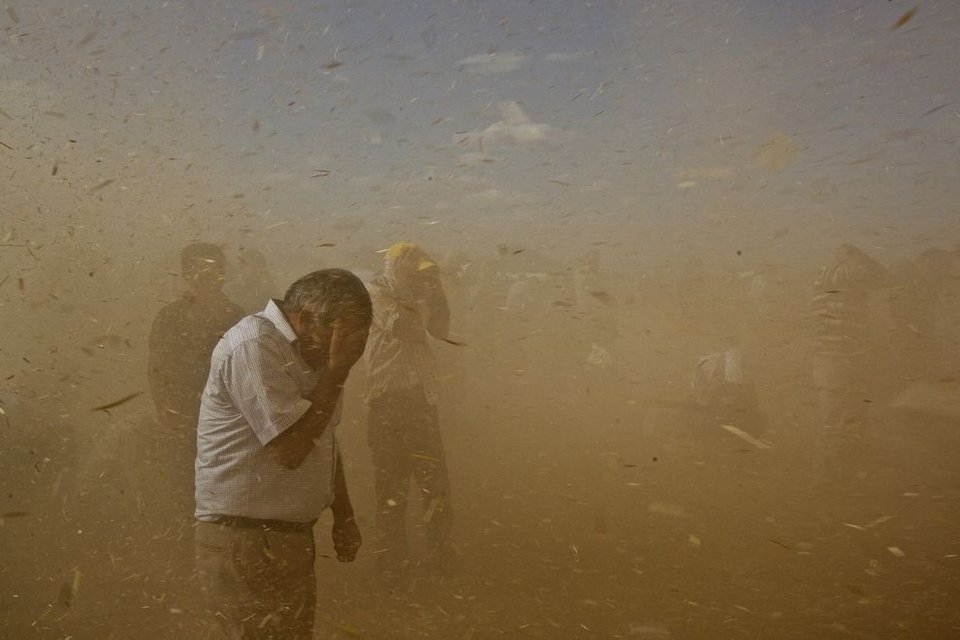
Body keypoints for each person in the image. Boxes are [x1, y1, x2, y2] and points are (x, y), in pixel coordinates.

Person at [194, 269, 372, 639]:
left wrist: (344, 513)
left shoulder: (314, 354)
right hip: (243, 537)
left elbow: (323, 439)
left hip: (287, 537)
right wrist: (337, 371)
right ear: (305, 319)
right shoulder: (254, 346)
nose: (351, 348)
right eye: (343, 333)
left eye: (359, 335)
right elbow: (289, 451)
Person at [364, 242, 455, 581]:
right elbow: (405, 328)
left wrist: (436, 287)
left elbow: (440, 330)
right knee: (392, 489)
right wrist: (406, 285)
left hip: (421, 402)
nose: (419, 279)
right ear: (395, 269)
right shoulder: (374, 291)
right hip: (388, 403)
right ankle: (391, 563)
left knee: (436, 486)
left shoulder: (418, 292)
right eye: (413, 272)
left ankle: (440, 554)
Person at [147, 242, 245, 509]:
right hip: (182, 420)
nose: (210, 276)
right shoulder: (170, 317)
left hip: (227, 421)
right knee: (184, 494)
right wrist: (168, 415)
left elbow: (247, 373)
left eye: (216, 270)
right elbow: (157, 370)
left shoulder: (238, 317)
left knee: (227, 493)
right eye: (202, 270)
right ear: (187, 274)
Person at [809, 243, 888, 487]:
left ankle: (834, 476)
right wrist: (853, 253)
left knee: (845, 419)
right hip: (837, 359)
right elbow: (879, 275)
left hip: (842, 359)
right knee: (836, 420)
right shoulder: (838, 273)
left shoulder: (836, 279)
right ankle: (826, 479)